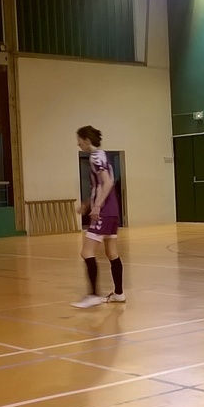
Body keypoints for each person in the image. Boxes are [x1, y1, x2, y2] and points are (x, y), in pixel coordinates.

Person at [72, 125, 125, 308]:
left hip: (104, 211)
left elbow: (108, 182)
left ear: (87, 140)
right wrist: (88, 203)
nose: (78, 144)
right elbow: (100, 186)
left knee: (86, 252)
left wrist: (97, 206)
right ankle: (119, 294)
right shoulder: (102, 155)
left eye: (79, 140)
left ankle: (94, 295)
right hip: (113, 210)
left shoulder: (95, 157)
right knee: (111, 252)